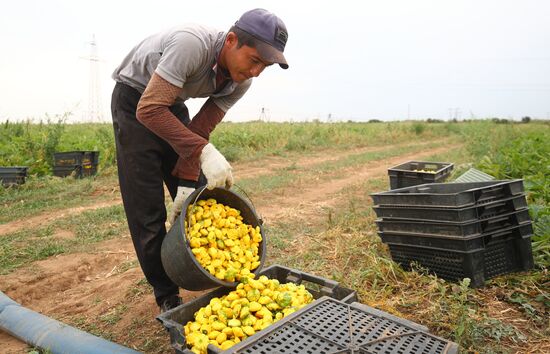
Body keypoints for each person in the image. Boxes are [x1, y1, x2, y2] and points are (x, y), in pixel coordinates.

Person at [110, 8, 289, 312]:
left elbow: (199, 129)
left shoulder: (240, 81)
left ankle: (222, 272)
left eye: (266, 66)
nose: (256, 72)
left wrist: (186, 182)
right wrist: (204, 152)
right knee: (147, 212)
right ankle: (167, 295)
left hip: (170, 103)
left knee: (202, 198)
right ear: (232, 40)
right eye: (255, 60)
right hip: (135, 101)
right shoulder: (191, 44)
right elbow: (149, 110)